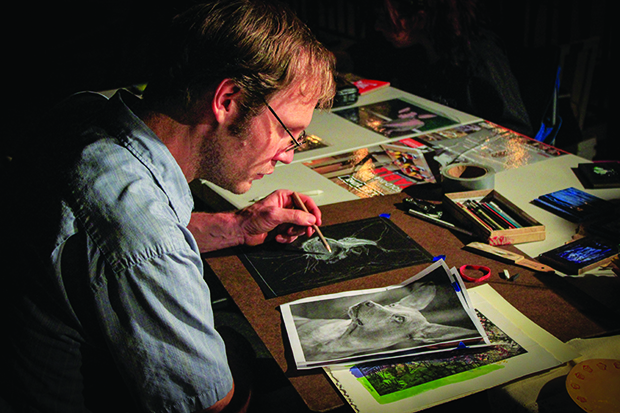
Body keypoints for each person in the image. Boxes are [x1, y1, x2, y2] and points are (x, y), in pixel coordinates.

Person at [1, 1, 335, 412]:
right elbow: (212, 404)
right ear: (227, 99)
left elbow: (112, 243)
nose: (289, 155)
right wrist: (238, 353)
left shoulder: (81, 113)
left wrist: (239, 224)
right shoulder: (144, 234)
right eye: (289, 132)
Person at [340, 0, 533, 136]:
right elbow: (359, 55)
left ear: (419, 19)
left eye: (385, 18)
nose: (377, 26)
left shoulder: (480, 58)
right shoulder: (409, 47)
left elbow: (516, 129)